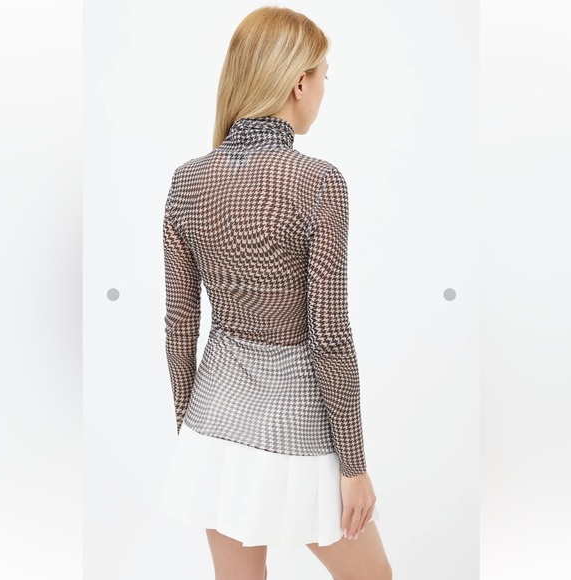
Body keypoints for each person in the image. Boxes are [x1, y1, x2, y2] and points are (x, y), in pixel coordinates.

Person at [158, 6, 392, 580]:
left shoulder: (188, 180)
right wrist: (354, 466)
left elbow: (180, 325)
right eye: (324, 76)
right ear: (298, 83)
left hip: (213, 419)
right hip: (299, 424)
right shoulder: (317, 182)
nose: (324, 91)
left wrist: (192, 428)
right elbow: (329, 336)